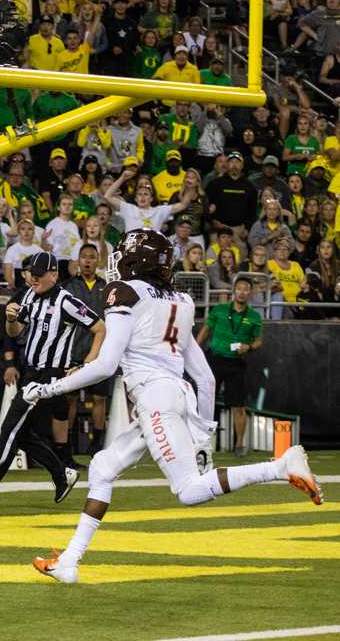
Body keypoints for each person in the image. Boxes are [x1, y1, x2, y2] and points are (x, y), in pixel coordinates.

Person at [27, 229, 322, 584]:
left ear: (138, 260)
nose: (116, 261)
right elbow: (206, 378)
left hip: (155, 398)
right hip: (175, 394)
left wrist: (48, 389)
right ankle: (69, 562)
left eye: (123, 254)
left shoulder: (125, 291)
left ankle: (279, 466)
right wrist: (203, 438)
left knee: (189, 491)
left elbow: (106, 365)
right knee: (103, 467)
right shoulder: (180, 299)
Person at [0, 251, 105, 511]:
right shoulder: (28, 295)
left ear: (54, 274)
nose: (33, 279)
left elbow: (99, 327)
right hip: (31, 373)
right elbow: (16, 331)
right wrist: (11, 319)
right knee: (20, 435)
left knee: (9, 431)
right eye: (31, 274)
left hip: (49, 376)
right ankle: (62, 473)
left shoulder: (66, 301)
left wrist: (86, 365)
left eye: (39, 275)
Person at [196, 276, 263, 457]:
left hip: (236, 363)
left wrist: (248, 347)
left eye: (246, 289)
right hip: (215, 360)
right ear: (234, 290)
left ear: (251, 292)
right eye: (239, 288)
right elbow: (206, 329)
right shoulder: (219, 309)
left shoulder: (254, 317)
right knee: (205, 400)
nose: (242, 292)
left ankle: (240, 445)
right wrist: (194, 348)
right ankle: (198, 441)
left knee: (238, 405)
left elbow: (258, 341)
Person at [64, 243, 109, 449]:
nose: (88, 261)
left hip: (100, 350)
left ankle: (96, 443)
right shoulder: (68, 286)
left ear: (98, 260)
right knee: (70, 397)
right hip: (74, 348)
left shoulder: (106, 286)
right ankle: (68, 442)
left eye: (92, 257)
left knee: (99, 397)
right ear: (78, 260)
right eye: (84, 257)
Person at [104, 162, 195, 231]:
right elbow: (107, 196)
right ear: (135, 198)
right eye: (140, 194)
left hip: (152, 254)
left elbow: (183, 204)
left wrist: (191, 187)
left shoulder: (160, 211)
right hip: (133, 254)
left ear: (151, 198)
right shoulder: (128, 209)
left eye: (146, 194)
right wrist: (122, 178)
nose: (142, 197)